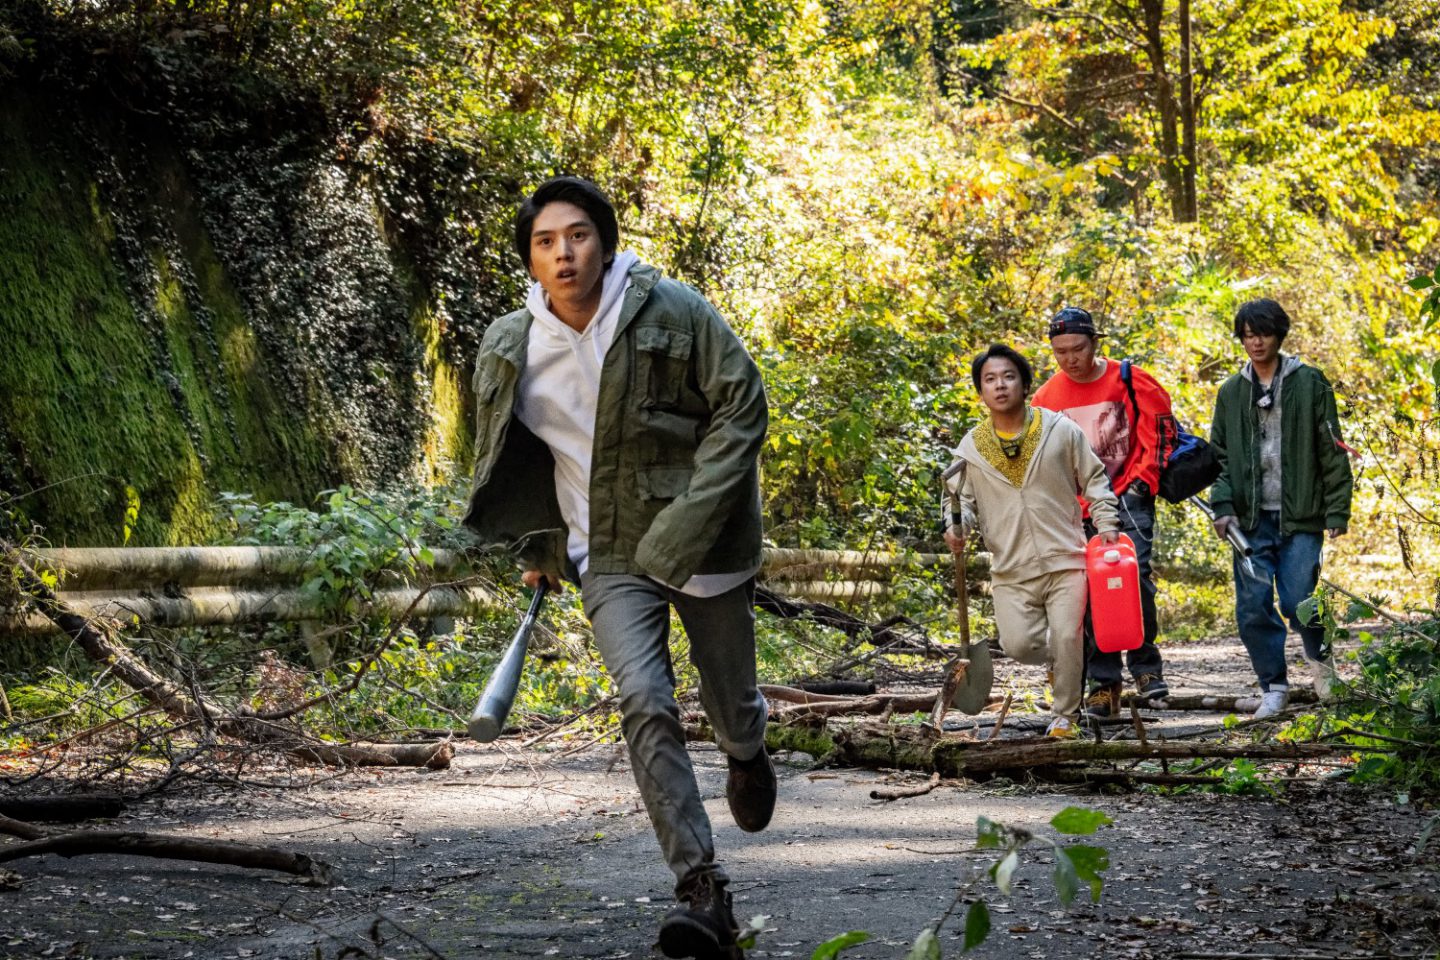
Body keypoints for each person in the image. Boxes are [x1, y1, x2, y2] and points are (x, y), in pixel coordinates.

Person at [462, 176, 773, 959]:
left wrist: (687, 525)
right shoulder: (510, 345)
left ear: (604, 241)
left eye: (578, 236)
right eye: (545, 242)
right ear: (531, 260)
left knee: (731, 698)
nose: (563, 254)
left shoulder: (673, 308)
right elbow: (515, 453)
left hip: (704, 545)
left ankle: (746, 750)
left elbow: (744, 405)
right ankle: (701, 890)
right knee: (643, 698)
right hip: (603, 554)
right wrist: (539, 544)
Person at [944, 344, 1121, 739]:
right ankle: (1064, 661)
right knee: (1019, 645)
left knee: (1067, 634)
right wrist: (957, 527)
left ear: (1025, 384)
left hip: (1066, 557)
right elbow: (958, 500)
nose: (1000, 386)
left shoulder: (1060, 430)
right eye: (990, 380)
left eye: (1008, 377)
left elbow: (1095, 480)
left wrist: (1107, 521)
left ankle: (1065, 716)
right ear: (981, 392)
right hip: (1010, 566)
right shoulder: (970, 449)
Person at [1209, 298, 1354, 719]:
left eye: (1264, 334)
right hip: (1249, 520)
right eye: (1249, 335)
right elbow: (1219, 457)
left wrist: (1336, 510)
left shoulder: (1309, 382)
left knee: (1300, 600)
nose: (1256, 343)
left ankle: (1323, 669)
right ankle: (1273, 686)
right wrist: (1223, 505)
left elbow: (1332, 449)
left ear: (1279, 335)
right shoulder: (1233, 391)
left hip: (1301, 515)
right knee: (1253, 604)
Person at [1032, 306, 1174, 718]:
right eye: (1060, 352)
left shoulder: (1130, 379)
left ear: (1095, 342)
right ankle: (1103, 684)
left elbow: (1159, 435)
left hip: (1128, 496)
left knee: (1135, 579)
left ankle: (1147, 669)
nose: (1070, 359)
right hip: (1076, 508)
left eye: (1078, 348)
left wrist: (1141, 482)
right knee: (1089, 593)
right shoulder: (1046, 399)